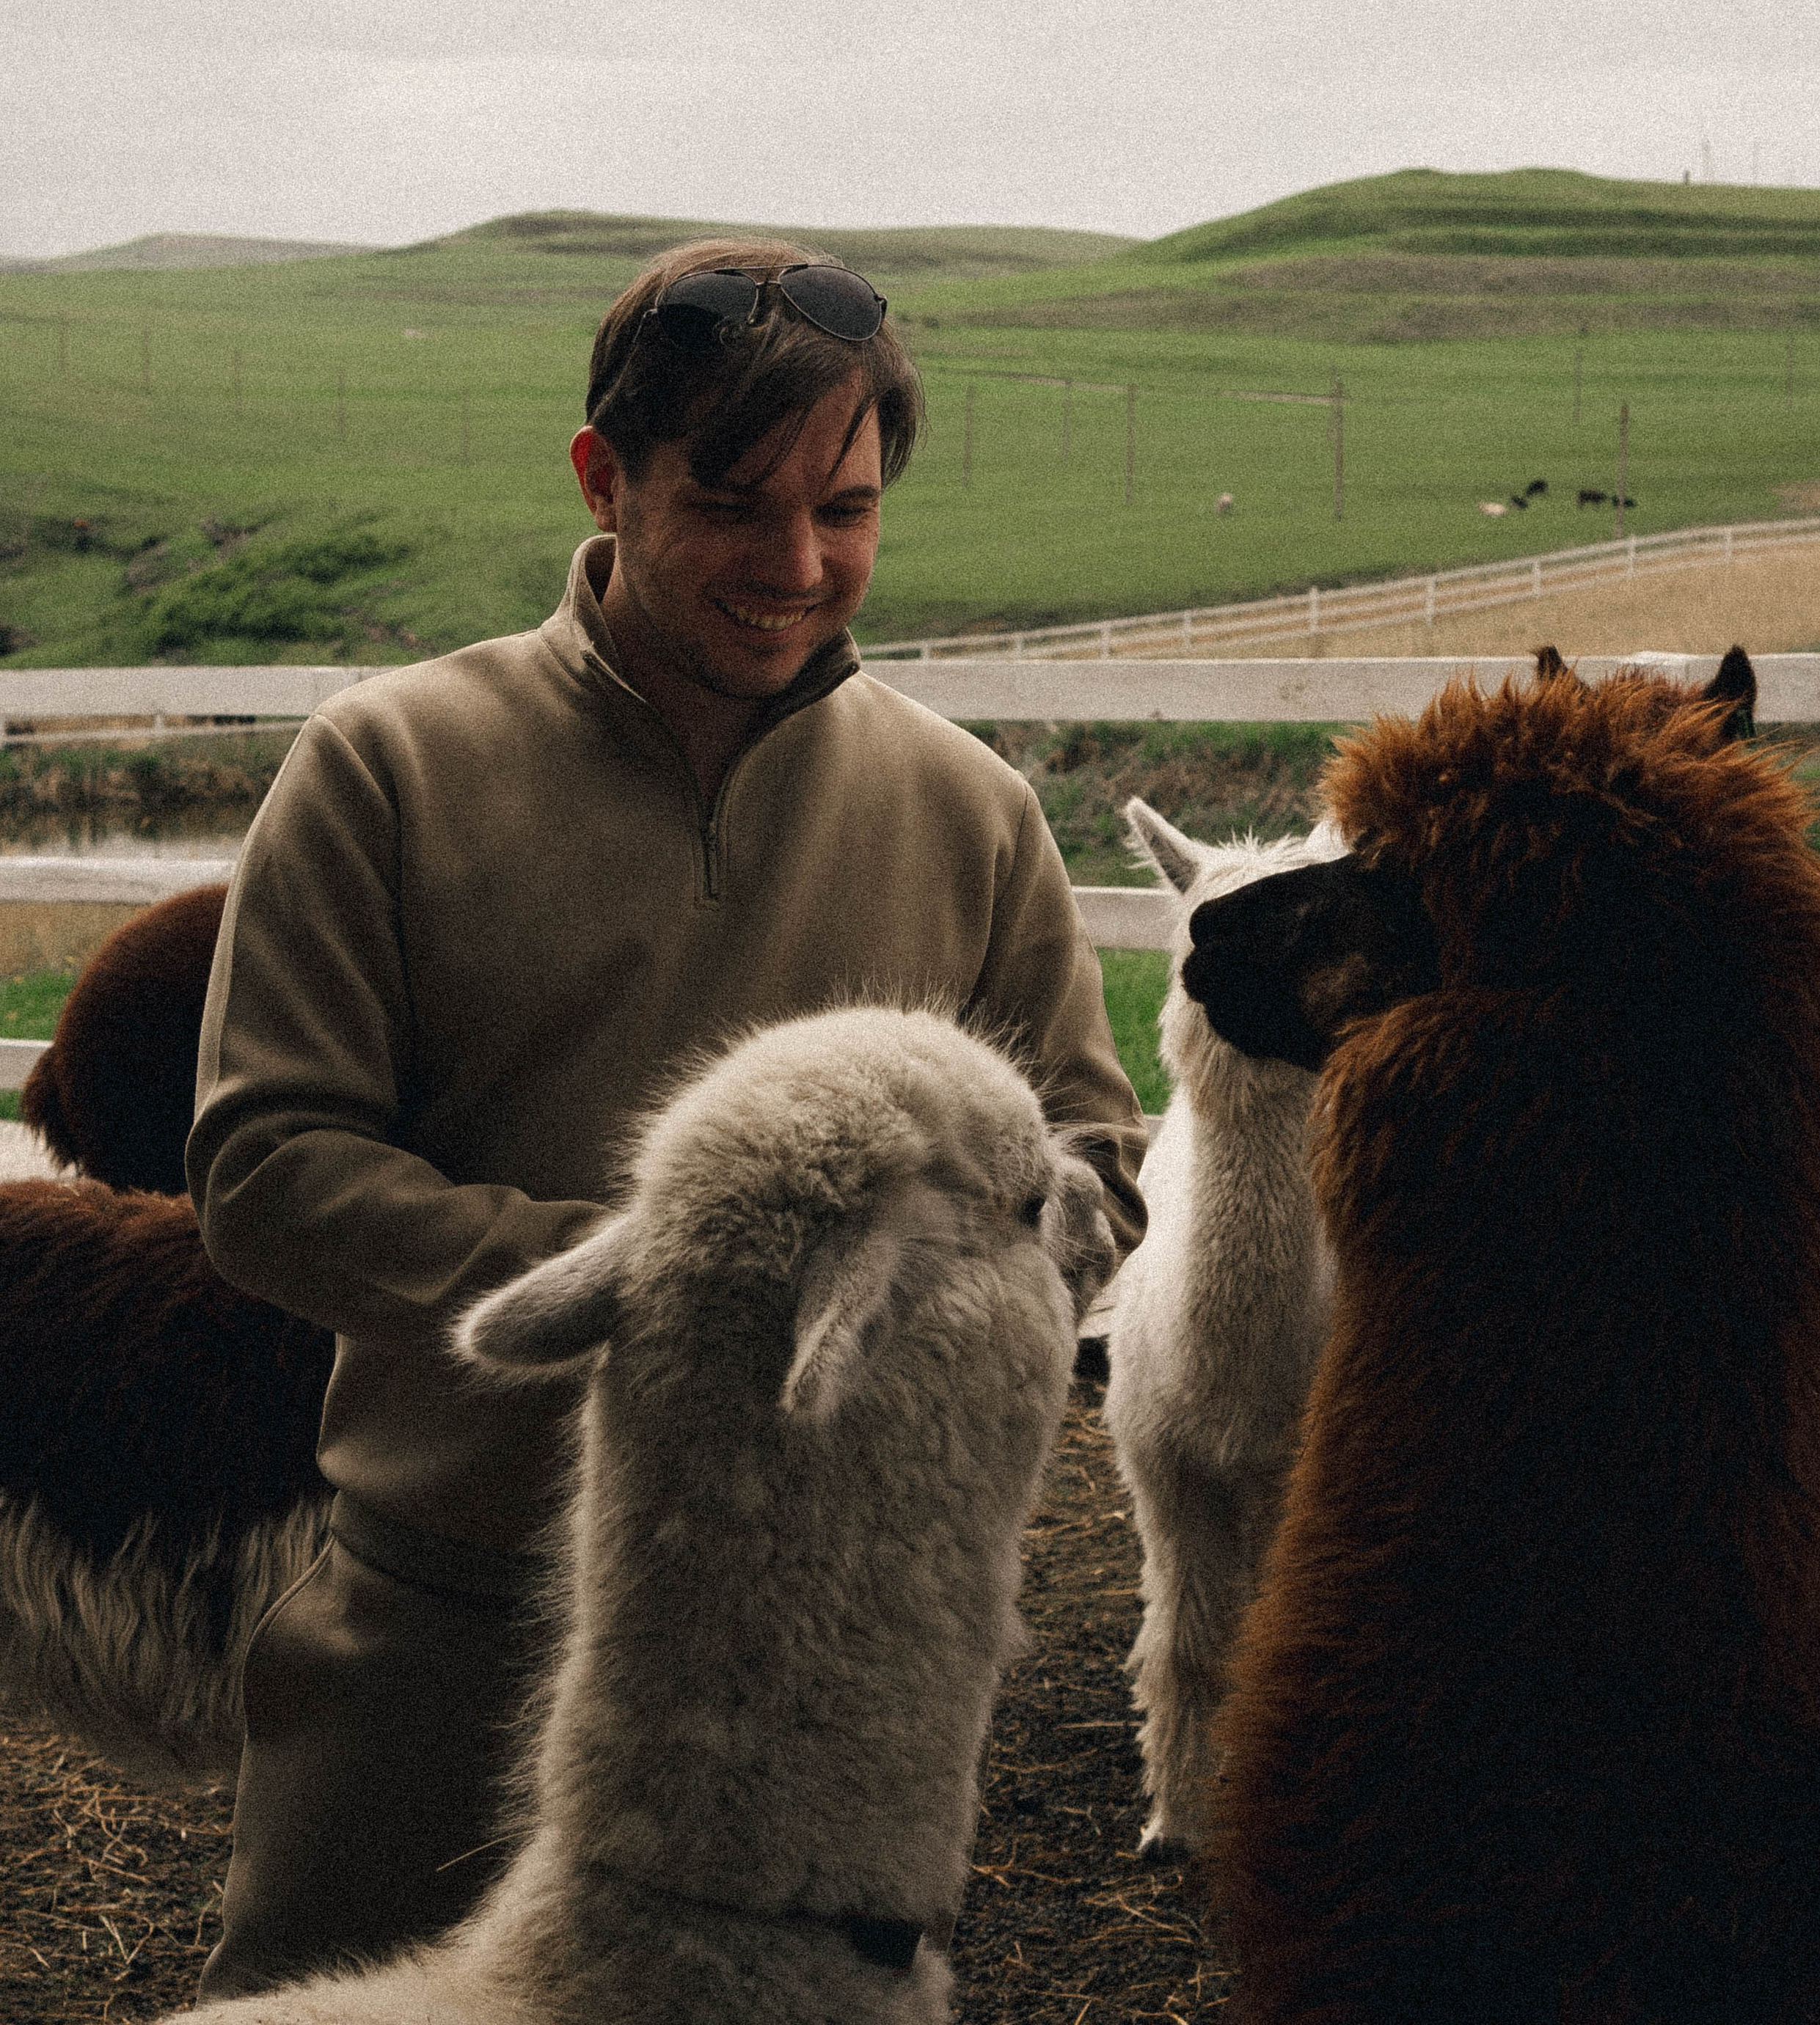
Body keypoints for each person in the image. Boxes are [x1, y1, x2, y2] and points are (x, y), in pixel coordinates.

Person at [187, 235, 1147, 2002]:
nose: (797, 568)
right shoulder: (386, 767)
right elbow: (267, 1172)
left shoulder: (972, 815)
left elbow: (1088, 1166)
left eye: (844, 511)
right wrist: (682, 1281)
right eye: (731, 502)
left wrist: (1011, 1253)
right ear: (602, 477)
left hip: (815, 1682)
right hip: (438, 1631)